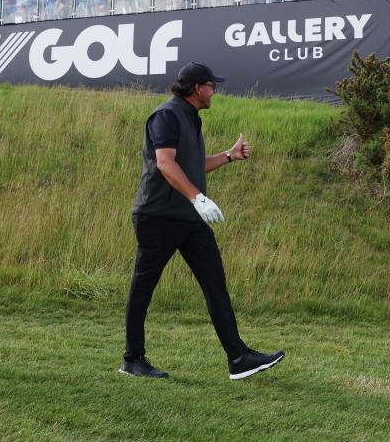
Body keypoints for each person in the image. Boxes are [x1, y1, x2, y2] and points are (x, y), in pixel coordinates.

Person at [121, 62, 285, 381]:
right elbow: (166, 165)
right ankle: (132, 359)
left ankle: (238, 358)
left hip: (188, 218)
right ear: (198, 88)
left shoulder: (191, 119)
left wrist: (228, 156)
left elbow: (191, 165)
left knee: (215, 283)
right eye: (212, 85)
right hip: (158, 216)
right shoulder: (166, 115)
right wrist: (198, 197)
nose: (215, 91)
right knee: (143, 287)